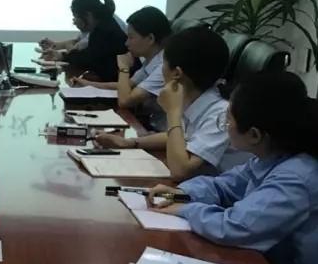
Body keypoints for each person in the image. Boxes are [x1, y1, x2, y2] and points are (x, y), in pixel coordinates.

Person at [146, 71, 318, 264]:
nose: (225, 126)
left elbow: (236, 226)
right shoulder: (268, 157)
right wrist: (178, 194)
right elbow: (223, 186)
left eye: (228, 120)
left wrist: (185, 209)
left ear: (255, 135)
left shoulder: (296, 178)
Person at [94, 25, 244, 179]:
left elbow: (180, 171)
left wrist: (173, 112)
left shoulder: (220, 115)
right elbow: (178, 137)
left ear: (177, 73)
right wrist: (130, 142)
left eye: (163, 64)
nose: (161, 70)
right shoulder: (197, 99)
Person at [70, 6, 172, 129]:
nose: (126, 43)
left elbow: (125, 101)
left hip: (162, 131)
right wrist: (88, 84)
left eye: (131, 37)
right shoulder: (152, 60)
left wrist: (124, 68)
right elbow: (127, 85)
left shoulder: (163, 67)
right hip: (151, 125)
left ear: (150, 38)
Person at [42, 0, 127, 81]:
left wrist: (63, 56)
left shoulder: (104, 30)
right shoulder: (103, 25)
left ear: (88, 15)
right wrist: (62, 56)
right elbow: (87, 54)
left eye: (76, 17)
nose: (74, 21)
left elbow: (89, 59)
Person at [39, 0, 128, 53]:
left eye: (78, 3)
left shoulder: (105, 24)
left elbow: (78, 53)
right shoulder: (97, 18)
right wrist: (54, 45)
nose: (74, 7)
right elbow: (77, 41)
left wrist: (66, 48)